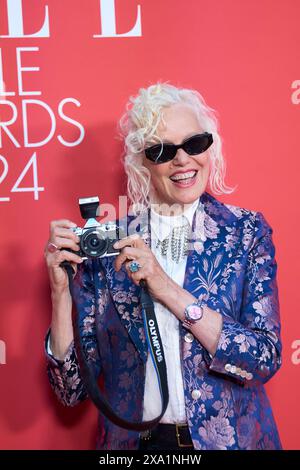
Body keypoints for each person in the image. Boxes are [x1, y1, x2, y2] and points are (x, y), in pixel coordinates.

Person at [44, 83, 282, 450]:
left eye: (195, 144)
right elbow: (71, 391)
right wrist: (60, 294)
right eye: (162, 151)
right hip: (139, 447)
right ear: (141, 163)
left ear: (210, 146)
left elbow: (264, 359)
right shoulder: (110, 247)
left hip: (233, 441)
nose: (182, 160)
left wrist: (164, 286)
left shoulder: (245, 233)